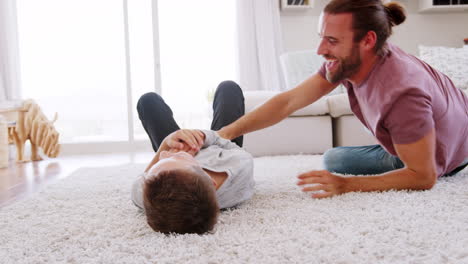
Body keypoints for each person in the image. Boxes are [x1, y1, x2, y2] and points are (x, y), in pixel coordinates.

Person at [217, 0, 468, 198]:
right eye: (322, 37)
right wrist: (225, 133)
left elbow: (423, 177)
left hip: (446, 157)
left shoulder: (402, 93)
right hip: (454, 133)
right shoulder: (353, 59)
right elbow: (289, 101)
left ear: (368, 40)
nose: (320, 50)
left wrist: (346, 184)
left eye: (332, 41)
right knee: (335, 158)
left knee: (334, 161)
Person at [132, 81, 254, 234]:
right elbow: (228, 139)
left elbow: (142, 178)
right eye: (176, 159)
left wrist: (168, 142)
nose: (162, 154)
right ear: (210, 181)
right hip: (220, 145)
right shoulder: (238, 165)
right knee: (229, 88)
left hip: (178, 144)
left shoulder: (147, 196)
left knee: (147, 101)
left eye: (161, 162)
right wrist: (202, 137)